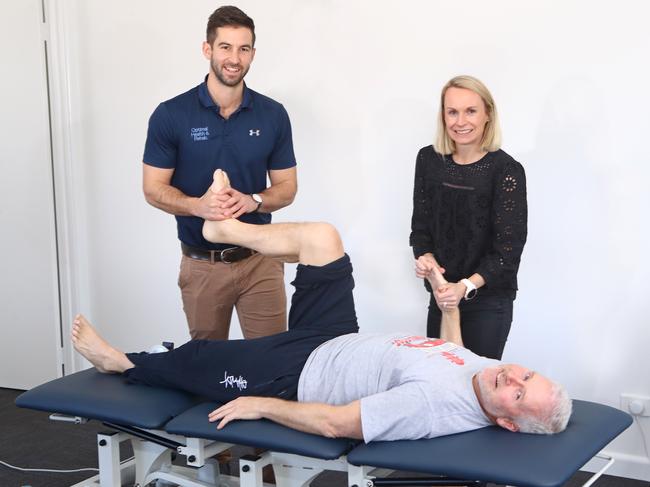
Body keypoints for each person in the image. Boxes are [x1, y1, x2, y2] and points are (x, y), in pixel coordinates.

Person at [73, 171, 570, 443]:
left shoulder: (433, 409)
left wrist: (264, 405)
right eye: (528, 376)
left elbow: (339, 424)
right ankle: (222, 229)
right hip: (335, 338)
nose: (515, 380)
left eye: (521, 396)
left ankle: (119, 361)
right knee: (322, 239)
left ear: (506, 422)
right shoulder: (491, 373)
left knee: (198, 357)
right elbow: (454, 353)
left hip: (295, 374)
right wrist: (450, 303)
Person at [142, 6, 297, 341]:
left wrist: (254, 200)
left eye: (243, 49)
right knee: (209, 372)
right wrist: (199, 206)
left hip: (261, 260)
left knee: (271, 366)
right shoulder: (171, 115)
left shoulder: (273, 115)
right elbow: (153, 188)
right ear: (207, 49)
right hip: (202, 265)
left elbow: (287, 188)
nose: (234, 58)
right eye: (225, 47)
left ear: (253, 54)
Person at [410, 75, 528, 360]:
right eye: (452, 111)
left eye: (470, 111)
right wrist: (426, 257)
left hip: (487, 301)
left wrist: (464, 286)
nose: (460, 121)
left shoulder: (506, 171)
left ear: (487, 114)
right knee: (438, 382)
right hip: (442, 296)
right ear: (443, 116)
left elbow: (506, 253)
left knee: (477, 391)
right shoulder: (428, 160)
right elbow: (420, 229)